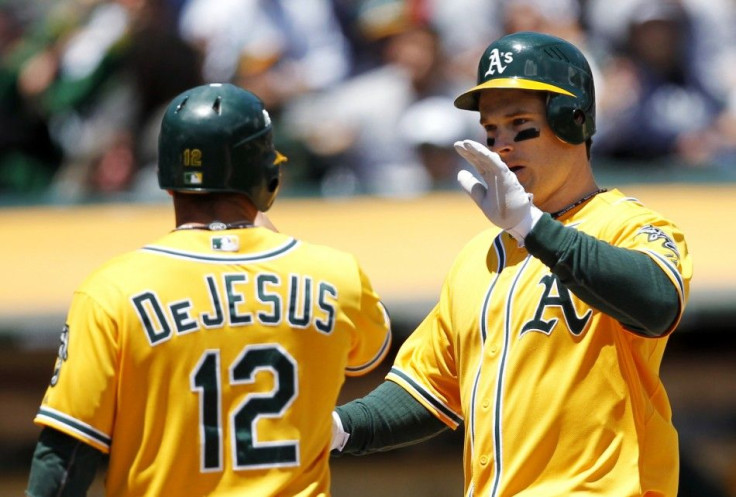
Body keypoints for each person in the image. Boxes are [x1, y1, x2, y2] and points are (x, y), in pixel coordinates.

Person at [331, 31, 693, 496]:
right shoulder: (477, 260)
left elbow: (658, 302)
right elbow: (429, 388)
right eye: (489, 131)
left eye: (520, 124)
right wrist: (340, 427)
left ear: (574, 121)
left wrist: (531, 226)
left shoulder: (626, 224)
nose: (501, 146)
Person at [26, 83, 392, 497]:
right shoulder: (335, 274)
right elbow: (371, 354)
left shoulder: (111, 289)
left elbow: (64, 458)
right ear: (267, 178)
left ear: (167, 179)